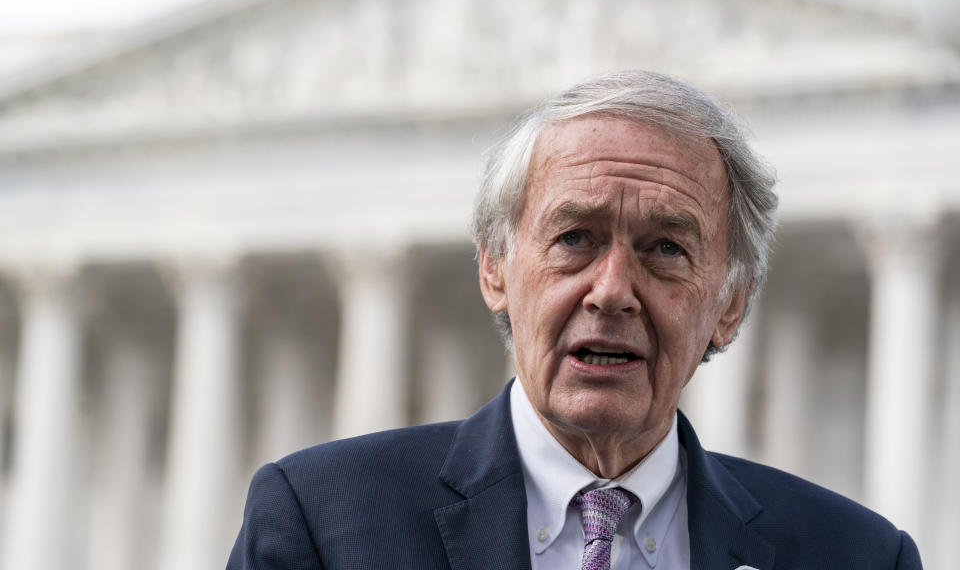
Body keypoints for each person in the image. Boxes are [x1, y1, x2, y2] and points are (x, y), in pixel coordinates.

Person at [227, 70, 922, 569]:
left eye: (666, 249)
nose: (612, 291)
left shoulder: (857, 555)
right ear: (495, 270)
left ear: (730, 304)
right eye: (574, 240)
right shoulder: (324, 522)